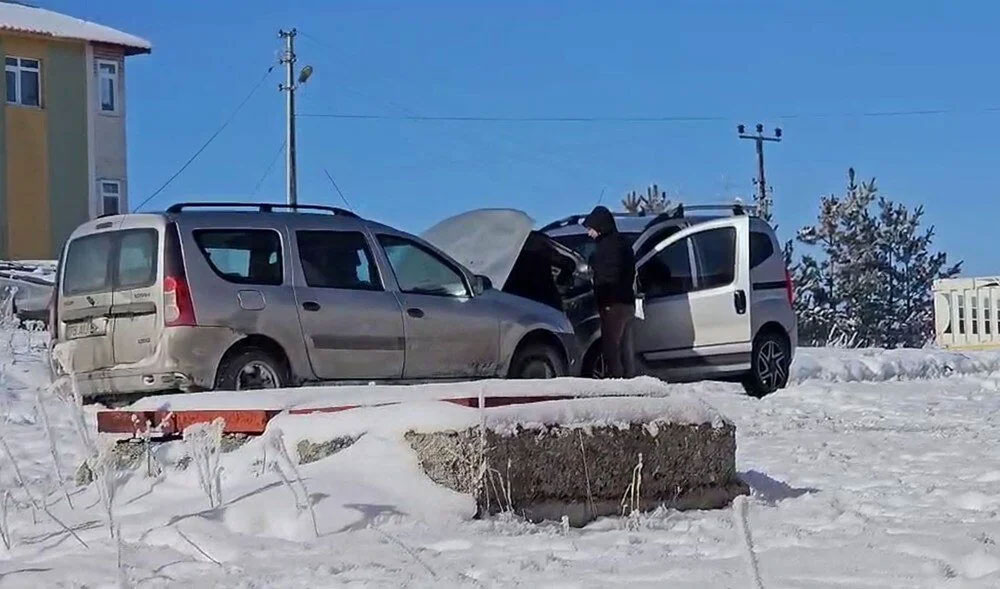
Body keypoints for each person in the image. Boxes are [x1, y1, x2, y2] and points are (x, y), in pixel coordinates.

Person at [582, 206, 636, 378]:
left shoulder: (607, 248)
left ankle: (616, 383)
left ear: (600, 227)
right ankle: (631, 381)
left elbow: (608, 277)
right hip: (627, 303)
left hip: (613, 304)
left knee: (611, 349)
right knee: (626, 349)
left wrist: (600, 294)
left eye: (591, 229)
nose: (589, 233)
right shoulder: (623, 243)